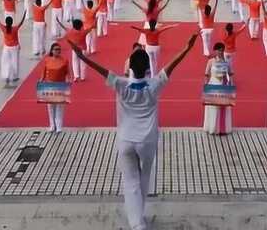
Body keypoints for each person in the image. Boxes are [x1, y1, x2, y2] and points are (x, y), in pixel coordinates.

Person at [67, 33, 197, 230]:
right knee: (144, 177)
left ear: (129, 68)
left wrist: (82, 56)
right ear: (147, 69)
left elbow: (99, 70)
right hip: (148, 140)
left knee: (130, 181)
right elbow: (172, 65)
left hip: (126, 140)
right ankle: (139, 216)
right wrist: (187, 48)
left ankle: (137, 223)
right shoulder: (155, 84)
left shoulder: (121, 83)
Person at [203, 42, 234, 135]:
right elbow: (206, 75)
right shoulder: (211, 61)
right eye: (219, 50)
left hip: (224, 85)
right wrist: (206, 86)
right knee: (213, 108)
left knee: (223, 107)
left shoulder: (227, 62)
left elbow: (230, 74)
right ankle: (213, 128)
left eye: (222, 50)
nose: (220, 52)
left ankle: (222, 129)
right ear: (215, 51)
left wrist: (231, 85)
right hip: (213, 85)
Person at [40, 43, 71, 133]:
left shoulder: (64, 60)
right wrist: (41, 80)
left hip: (60, 85)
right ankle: (52, 125)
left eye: (59, 49)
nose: (57, 51)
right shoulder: (47, 60)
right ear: (52, 51)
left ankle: (59, 126)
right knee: (50, 107)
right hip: (49, 85)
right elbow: (43, 72)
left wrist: (69, 80)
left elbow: (68, 72)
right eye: (56, 49)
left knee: (60, 107)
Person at [0, 11, 26, 86]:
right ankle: (14, 76)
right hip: (14, 47)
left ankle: (6, 75)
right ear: (12, 22)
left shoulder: (4, 28)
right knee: (15, 62)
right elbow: (21, 23)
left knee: (5, 62)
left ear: (6, 22)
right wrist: (24, 14)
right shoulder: (15, 28)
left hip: (6, 47)